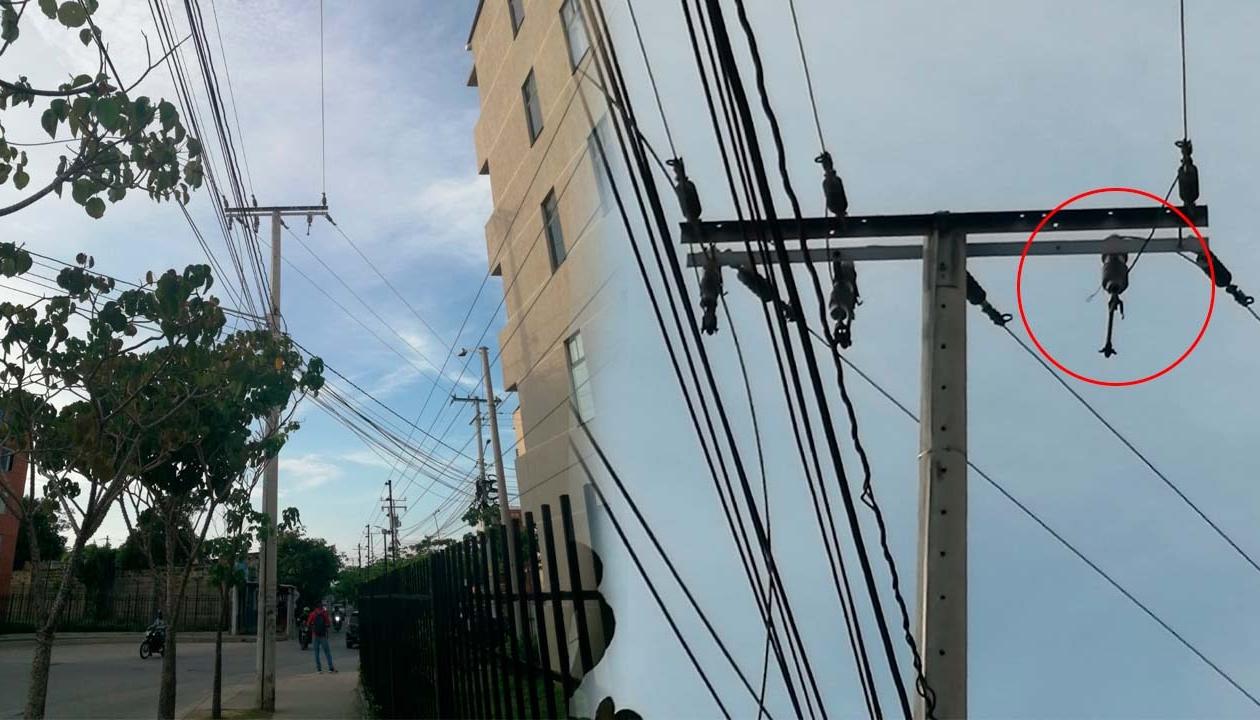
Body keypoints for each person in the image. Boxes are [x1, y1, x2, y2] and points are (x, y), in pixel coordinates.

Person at [305, 601, 336, 673]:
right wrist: (325, 626)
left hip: (315, 635)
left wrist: (312, 626)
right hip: (323, 635)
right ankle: (330, 668)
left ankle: (319, 669)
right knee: (327, 652)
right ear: (322, 606)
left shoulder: (312, 614)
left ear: (316, 607)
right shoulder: (324, 614)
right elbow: (328, 624)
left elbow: (308, 624)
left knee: (316, 653)